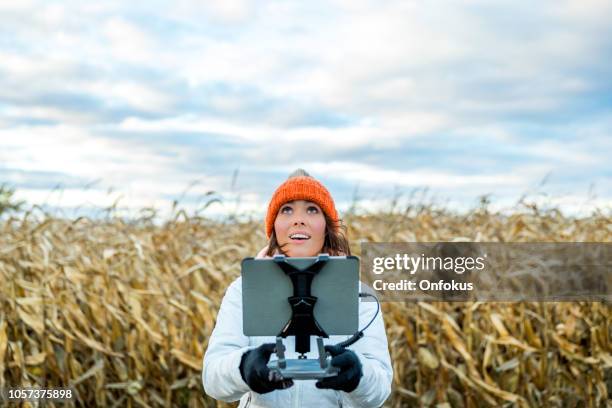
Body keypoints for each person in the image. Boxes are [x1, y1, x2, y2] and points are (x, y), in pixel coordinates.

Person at [202, 169, 393, 407]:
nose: (298, 219)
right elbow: (212, 380)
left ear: (327, 227)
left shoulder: (360, 295)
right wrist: (244, 366)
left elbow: (380, 389)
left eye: (312, 209)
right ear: (274, 227)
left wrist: (358, 375)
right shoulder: (244, 289)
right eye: (287, 209)